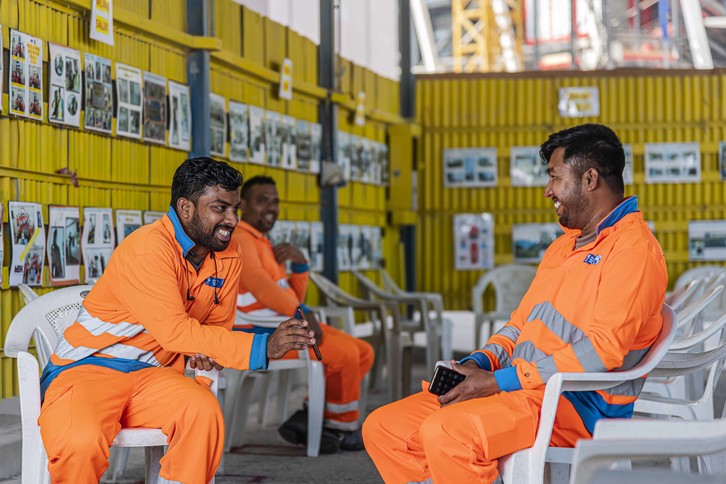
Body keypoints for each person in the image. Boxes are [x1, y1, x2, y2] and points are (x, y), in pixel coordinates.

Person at [363, 124, 668, 483]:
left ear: (589, 179)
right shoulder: (563, 247)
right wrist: (479, 362)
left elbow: (604, 352)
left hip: (574, 405)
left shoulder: (634, 250)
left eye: (555, 177)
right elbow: (519, 324)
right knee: (384, 427)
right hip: (521, 390)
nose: (547, 190)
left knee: (447, 432)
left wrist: (499, 382)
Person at [38, 158, 319, 483]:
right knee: (80, 441)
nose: (232, 220)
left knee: (203, 413)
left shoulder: (227, 255)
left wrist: (204, 357)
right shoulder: (148, 249)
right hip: (88, 370)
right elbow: (175, 332)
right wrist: (265, 345)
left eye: (235, 209)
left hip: (153, 376)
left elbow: (216, 329)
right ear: (185, 208)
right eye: (220, 208)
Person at [232, 176, 374, 454]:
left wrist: (300, 264)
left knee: (363, 351)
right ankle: (339, 430)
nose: (271, 208)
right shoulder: (240, 239)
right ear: (243, 204)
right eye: (262, 201)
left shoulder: (262, 242)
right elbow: (262, 287)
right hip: (259, 333)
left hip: (281, 324)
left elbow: (291, 297)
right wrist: (303, 313)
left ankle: (312, 419)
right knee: (344, 354)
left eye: (275, 202)